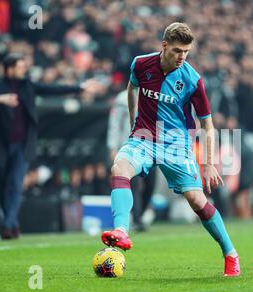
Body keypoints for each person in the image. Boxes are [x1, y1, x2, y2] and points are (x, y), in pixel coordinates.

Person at [101, 22, 240, 277]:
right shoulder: (141, 64)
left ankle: (230, 252)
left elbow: (207, 125)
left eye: (186, 51)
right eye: (177, 50)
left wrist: (208, 163)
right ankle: (121, 230)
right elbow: (132, 87)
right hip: (143, 138)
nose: (182, 57)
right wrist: (134, 120)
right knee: (119, 168)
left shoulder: (192, 80)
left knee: (197, 201)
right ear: (164, 46)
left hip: (176, 144)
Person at [0, 53, 101, 240]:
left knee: (16, 184)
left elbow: (52, 89)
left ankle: (7, 224)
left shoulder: (27, 86)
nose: (23, 70)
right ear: (8, 68)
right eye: (19, 66)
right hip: (1, 145)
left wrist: (80, 87)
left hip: (22, 145)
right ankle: (12, 223)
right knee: (3, 186)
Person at [107, 89, 156, 232]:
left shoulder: (154, 93)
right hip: (128, 148)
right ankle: (136, 219)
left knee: (150, 184)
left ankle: (139, 215)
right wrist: (112, 147)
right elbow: (115, 124)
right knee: (133, 185)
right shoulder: (122, 98)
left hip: (150, 147)